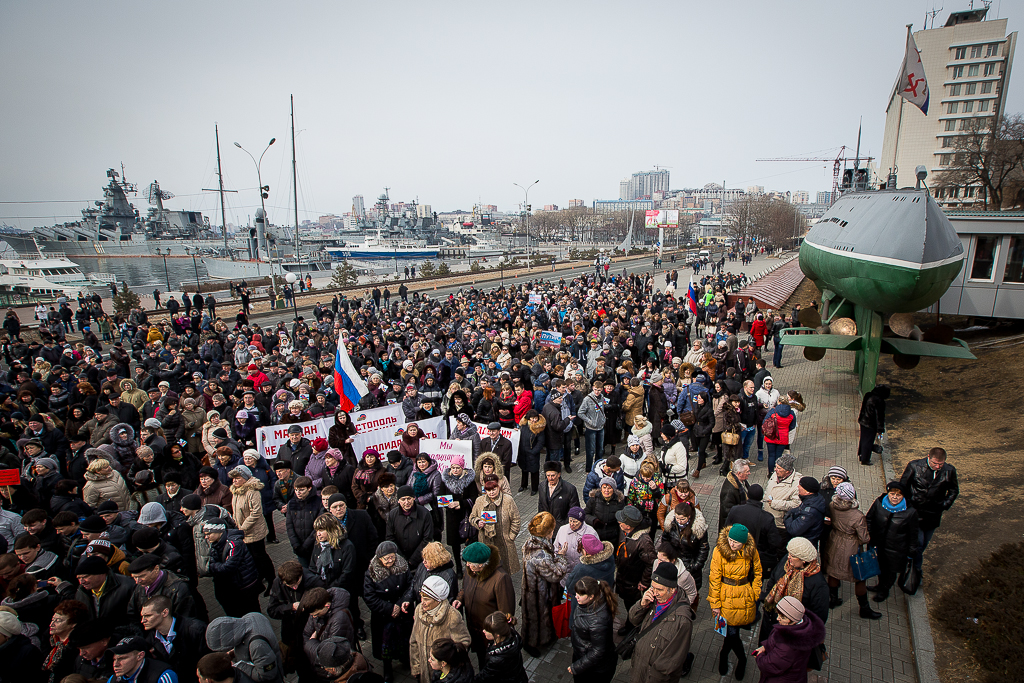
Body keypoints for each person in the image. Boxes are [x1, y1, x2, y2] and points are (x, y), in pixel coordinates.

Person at [707, 523, 762, 680]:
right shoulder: (719, 551)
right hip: (724, 595)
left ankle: (726, 656)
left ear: (743, 542)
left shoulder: (751, 551)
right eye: (730, 540)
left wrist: (755, 592)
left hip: (743, 595)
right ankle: (740, 659)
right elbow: (714, 578)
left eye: (736, 542)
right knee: (730, 632)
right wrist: (715, 604)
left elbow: (758, 572)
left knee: (732, 632)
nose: (731, 544)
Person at [625, 563, 695, 683]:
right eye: (653, 587)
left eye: (660, 590)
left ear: (672, 589)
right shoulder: (652, 600)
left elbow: (672, 660)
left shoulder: (682, 620)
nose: (655, 593)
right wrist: (641, 604)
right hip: (639, 668)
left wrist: (653, 677)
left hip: (653, 677)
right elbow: (633, 620)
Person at [452, 542, 515, 668]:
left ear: (481, 565)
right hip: (475, 630)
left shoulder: (500, 579)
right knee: (482, 660)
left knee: (491, 666)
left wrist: (497, 636)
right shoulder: (471, 571)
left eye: (470, 563)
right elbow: (465, 588)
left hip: (490, 635)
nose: (467, 565)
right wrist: (460, 599)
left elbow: (506, 612)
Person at [758, 537, 828, 648]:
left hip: (791, 632)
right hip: (771, 619)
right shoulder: (788, 561)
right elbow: (773, 578)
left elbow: (819, 616)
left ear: (804, 560)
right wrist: (769, 596)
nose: (789, 557)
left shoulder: (818, 584)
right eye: (789, 553)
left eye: (793, 555)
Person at [900, 447, 959, 575]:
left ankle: (910, 559)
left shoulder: (949, 471)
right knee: (918, 543)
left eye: (940, 464)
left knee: (924, 542)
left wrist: (944, 505)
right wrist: (908, 505)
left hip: (933, 515)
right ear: (928, 457)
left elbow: (954, 491)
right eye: (935, 463)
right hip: (915, 512)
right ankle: (915, 570)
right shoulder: (914, 466)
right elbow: (903, 486)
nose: (937, 466)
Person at [520, 512, 571, 656]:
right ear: (547, 532)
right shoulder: (539, 555)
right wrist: (561, 556)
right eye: (552, 530)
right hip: (538, 595)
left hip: (537, 590)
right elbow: (556, 574)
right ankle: (531, 644)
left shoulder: (532, 542)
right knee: (536, 621)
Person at [409, 576, 471, 683]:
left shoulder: (452, 616)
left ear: (438, 600)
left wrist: (446, 664)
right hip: (424, 674)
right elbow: (414, 641)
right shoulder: (419, 610)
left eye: (427, 599)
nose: (422, 602)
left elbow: (463, 643)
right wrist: (416, 667)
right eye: (421, 597)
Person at [866, 481, 920, 603]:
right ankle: (879, 585)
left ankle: (884, 590)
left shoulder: (910, 512)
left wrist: (912, 550)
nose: (895, 497)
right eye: (892, 494)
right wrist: (869, 534)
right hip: (878, 544)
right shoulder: (879, 503)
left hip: (896, 549)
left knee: (890, 571)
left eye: (898, 495)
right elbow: (869, 518)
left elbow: (913, 533)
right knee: (879, 567)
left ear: (903, 496)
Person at [752, 597, 826, 683]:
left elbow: (770, 666)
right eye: (778, 614)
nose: (777, 618)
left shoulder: (788, 645)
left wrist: (759, 656)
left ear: (793, 621)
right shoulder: (801, 626)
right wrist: (765, 646)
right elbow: (775, 640)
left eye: (782, 617)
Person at [201, 517, 262, 617]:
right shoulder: (215, 544)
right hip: (234, 586)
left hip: (245, 586)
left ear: (219, 532)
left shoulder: (234, 544)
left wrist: (213, 566)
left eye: (209, 534)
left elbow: (227, 567)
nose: (206, 537)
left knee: (252, 613)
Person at [140, 594, 208, 683]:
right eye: (142, 616)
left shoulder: (195, 630)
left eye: (148, 616)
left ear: (164, 613)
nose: (143, 620)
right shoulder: (150, 639)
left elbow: (209, 662)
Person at [205, 613, 284, 683]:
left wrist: (238, 666)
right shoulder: (251, 616)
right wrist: (233, 653)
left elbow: (266, 675)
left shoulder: (257, 645)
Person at [567, 577, 617, 683]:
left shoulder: (598, 621)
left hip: (595, 669)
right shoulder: (587, 604)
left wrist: (577, 666)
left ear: (591, 597)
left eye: (580, 595)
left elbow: (598, 651)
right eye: (576, 593)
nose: (576, 596)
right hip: (584, 657)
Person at [726, 484, 783, 576]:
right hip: (755, 558)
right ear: (761, 498)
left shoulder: (735, 510)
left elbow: (727, 529)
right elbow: (775, 542)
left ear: (747, 496)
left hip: (735, 554)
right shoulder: (767, 518)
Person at [613, 505, 656, 627]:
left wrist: (644, 582)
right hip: (624, 578)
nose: (618, 522)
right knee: (627, 603)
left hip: (634, 583)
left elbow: (651, 563)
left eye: (621, 520)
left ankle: (632, 627)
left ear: (628, 525)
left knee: (633, 606)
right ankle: (629, 623)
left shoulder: (644, 541)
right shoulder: (625, 532)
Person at [469, 477, 521, 575]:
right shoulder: (480, 501)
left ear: (498, 488)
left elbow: (516, 519)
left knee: (505, 569)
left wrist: (511, 536)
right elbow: (472, 517)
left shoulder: (508, 500)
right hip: (485, 541)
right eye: (488, 490)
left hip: (504, 541)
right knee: (488, 569)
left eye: (494, 489)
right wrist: (478, 522)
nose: (491, 492)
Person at [387, 485, 434, 568]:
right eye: (403, 499)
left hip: (420, 560)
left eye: (409, 498)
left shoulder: (425, 514)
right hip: (399, 560)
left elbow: (427, 539)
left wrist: (413, 560)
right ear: (398, 501)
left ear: (413, 498)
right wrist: (401, 558)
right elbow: (390, 537)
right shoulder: (393, 514)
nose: (406, 502)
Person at [474, 612, 528, 683]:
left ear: (497, 635)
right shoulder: (512, 635)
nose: (484, 631)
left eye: (487, 630)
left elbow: (484, 676)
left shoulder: (496, 659)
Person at [107, 636, 178, 683]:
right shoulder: (113, 679)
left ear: (140, 656)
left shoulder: (162, 676)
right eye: (114, 659)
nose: (116, 664)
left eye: (122, 658)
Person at [783, 477, 828, 549]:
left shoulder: (810, 512)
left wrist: (787, 518)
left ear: (808, 492)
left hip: (804, 546)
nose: (798, 486)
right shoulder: (813, 499)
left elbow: (794, 530)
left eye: (801, 486)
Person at [857, 385, 889, 465]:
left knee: (863, 439)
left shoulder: (868, 395)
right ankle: (865, 459)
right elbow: (879, 417)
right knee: (868, 441)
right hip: (871, 424)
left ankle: (861, 454)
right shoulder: (879, 401)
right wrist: (880, 429)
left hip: (863, 421)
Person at [719, 459, 750, 530]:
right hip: (731, 528)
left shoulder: (740, 481)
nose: (749, 473)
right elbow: (727, 512)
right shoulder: (729, 491)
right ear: (739, 473)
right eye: (747, 471)